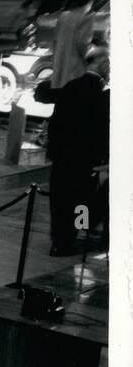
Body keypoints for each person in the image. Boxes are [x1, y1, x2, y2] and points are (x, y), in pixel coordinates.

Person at [35, 46, 109, 255]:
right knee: (81, 201)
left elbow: (56, 122)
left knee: (60, 200)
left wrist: (55, 150)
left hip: (62, 156)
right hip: (86, 159)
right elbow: (100, 129)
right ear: (101, 64)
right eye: (108, 64)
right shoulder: (101, 92)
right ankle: (78, 235)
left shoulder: (70, 86)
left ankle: (59, 241)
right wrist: (102, 156)